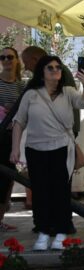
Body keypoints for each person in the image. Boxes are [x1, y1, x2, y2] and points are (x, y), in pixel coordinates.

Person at [9, 55, 84, 250]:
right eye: (50, 67)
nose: (55, 70)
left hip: (62, 148)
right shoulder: (31, 95)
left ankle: (61, 232)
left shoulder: (68, 92)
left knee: (61, 192)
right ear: (42, 72)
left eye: (58, 67)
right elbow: (19, 122)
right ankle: (43, 232)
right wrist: (15, 149)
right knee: (40, 193)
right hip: (35, 149)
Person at [0, 47, 25, 231]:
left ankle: (0, 218)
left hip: (12, 136)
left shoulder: (22, 86)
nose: (7, 60)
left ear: (17, 60)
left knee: (8, 177)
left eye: (10, 56)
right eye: (3, 57)